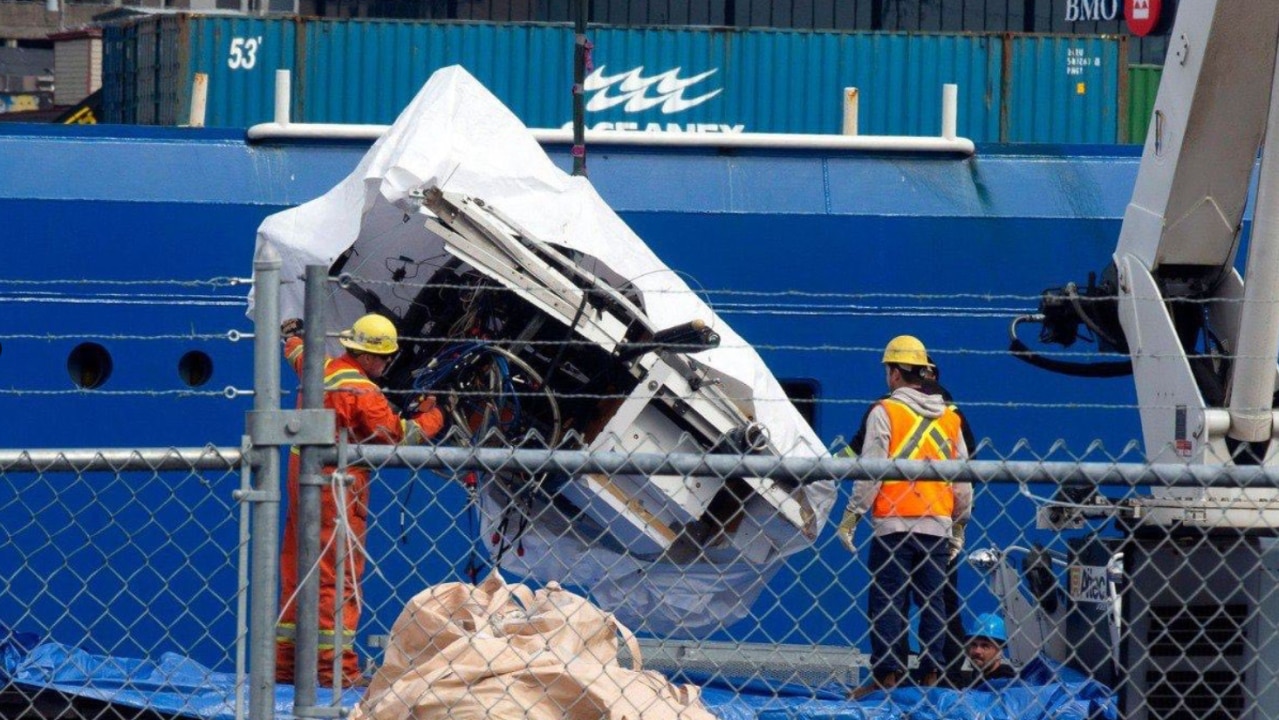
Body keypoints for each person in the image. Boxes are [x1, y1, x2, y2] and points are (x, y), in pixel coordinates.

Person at [275, 313, 446, 687]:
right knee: (337, 579)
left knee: (296, 574)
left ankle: (284, 669)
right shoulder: (363, 392)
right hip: (336, 488)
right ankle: (336, 671)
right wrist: (433, 415)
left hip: (300, 476)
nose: (387, 364)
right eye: (384, 358)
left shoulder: (320, 366)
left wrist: (291, 335)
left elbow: (296, 350)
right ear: (368, 356)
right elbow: (399, 437)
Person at [838, 335, 972, 698]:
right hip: (937, 526)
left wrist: (852, 515)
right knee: (933, 603)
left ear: (896, 373)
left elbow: (872, 470)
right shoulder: (950, 417)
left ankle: (887, 676)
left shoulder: (886, 411)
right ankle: (931, 677)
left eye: (888, 370)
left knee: (887, 601)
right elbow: (962, 476)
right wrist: (960, 523)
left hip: (893, 525)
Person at [965, 613, 1017, 687]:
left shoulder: (1005, 682)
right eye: (973, 645)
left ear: (999, 652)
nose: (977, 651)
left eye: (985, 646)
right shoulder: (976, 677)